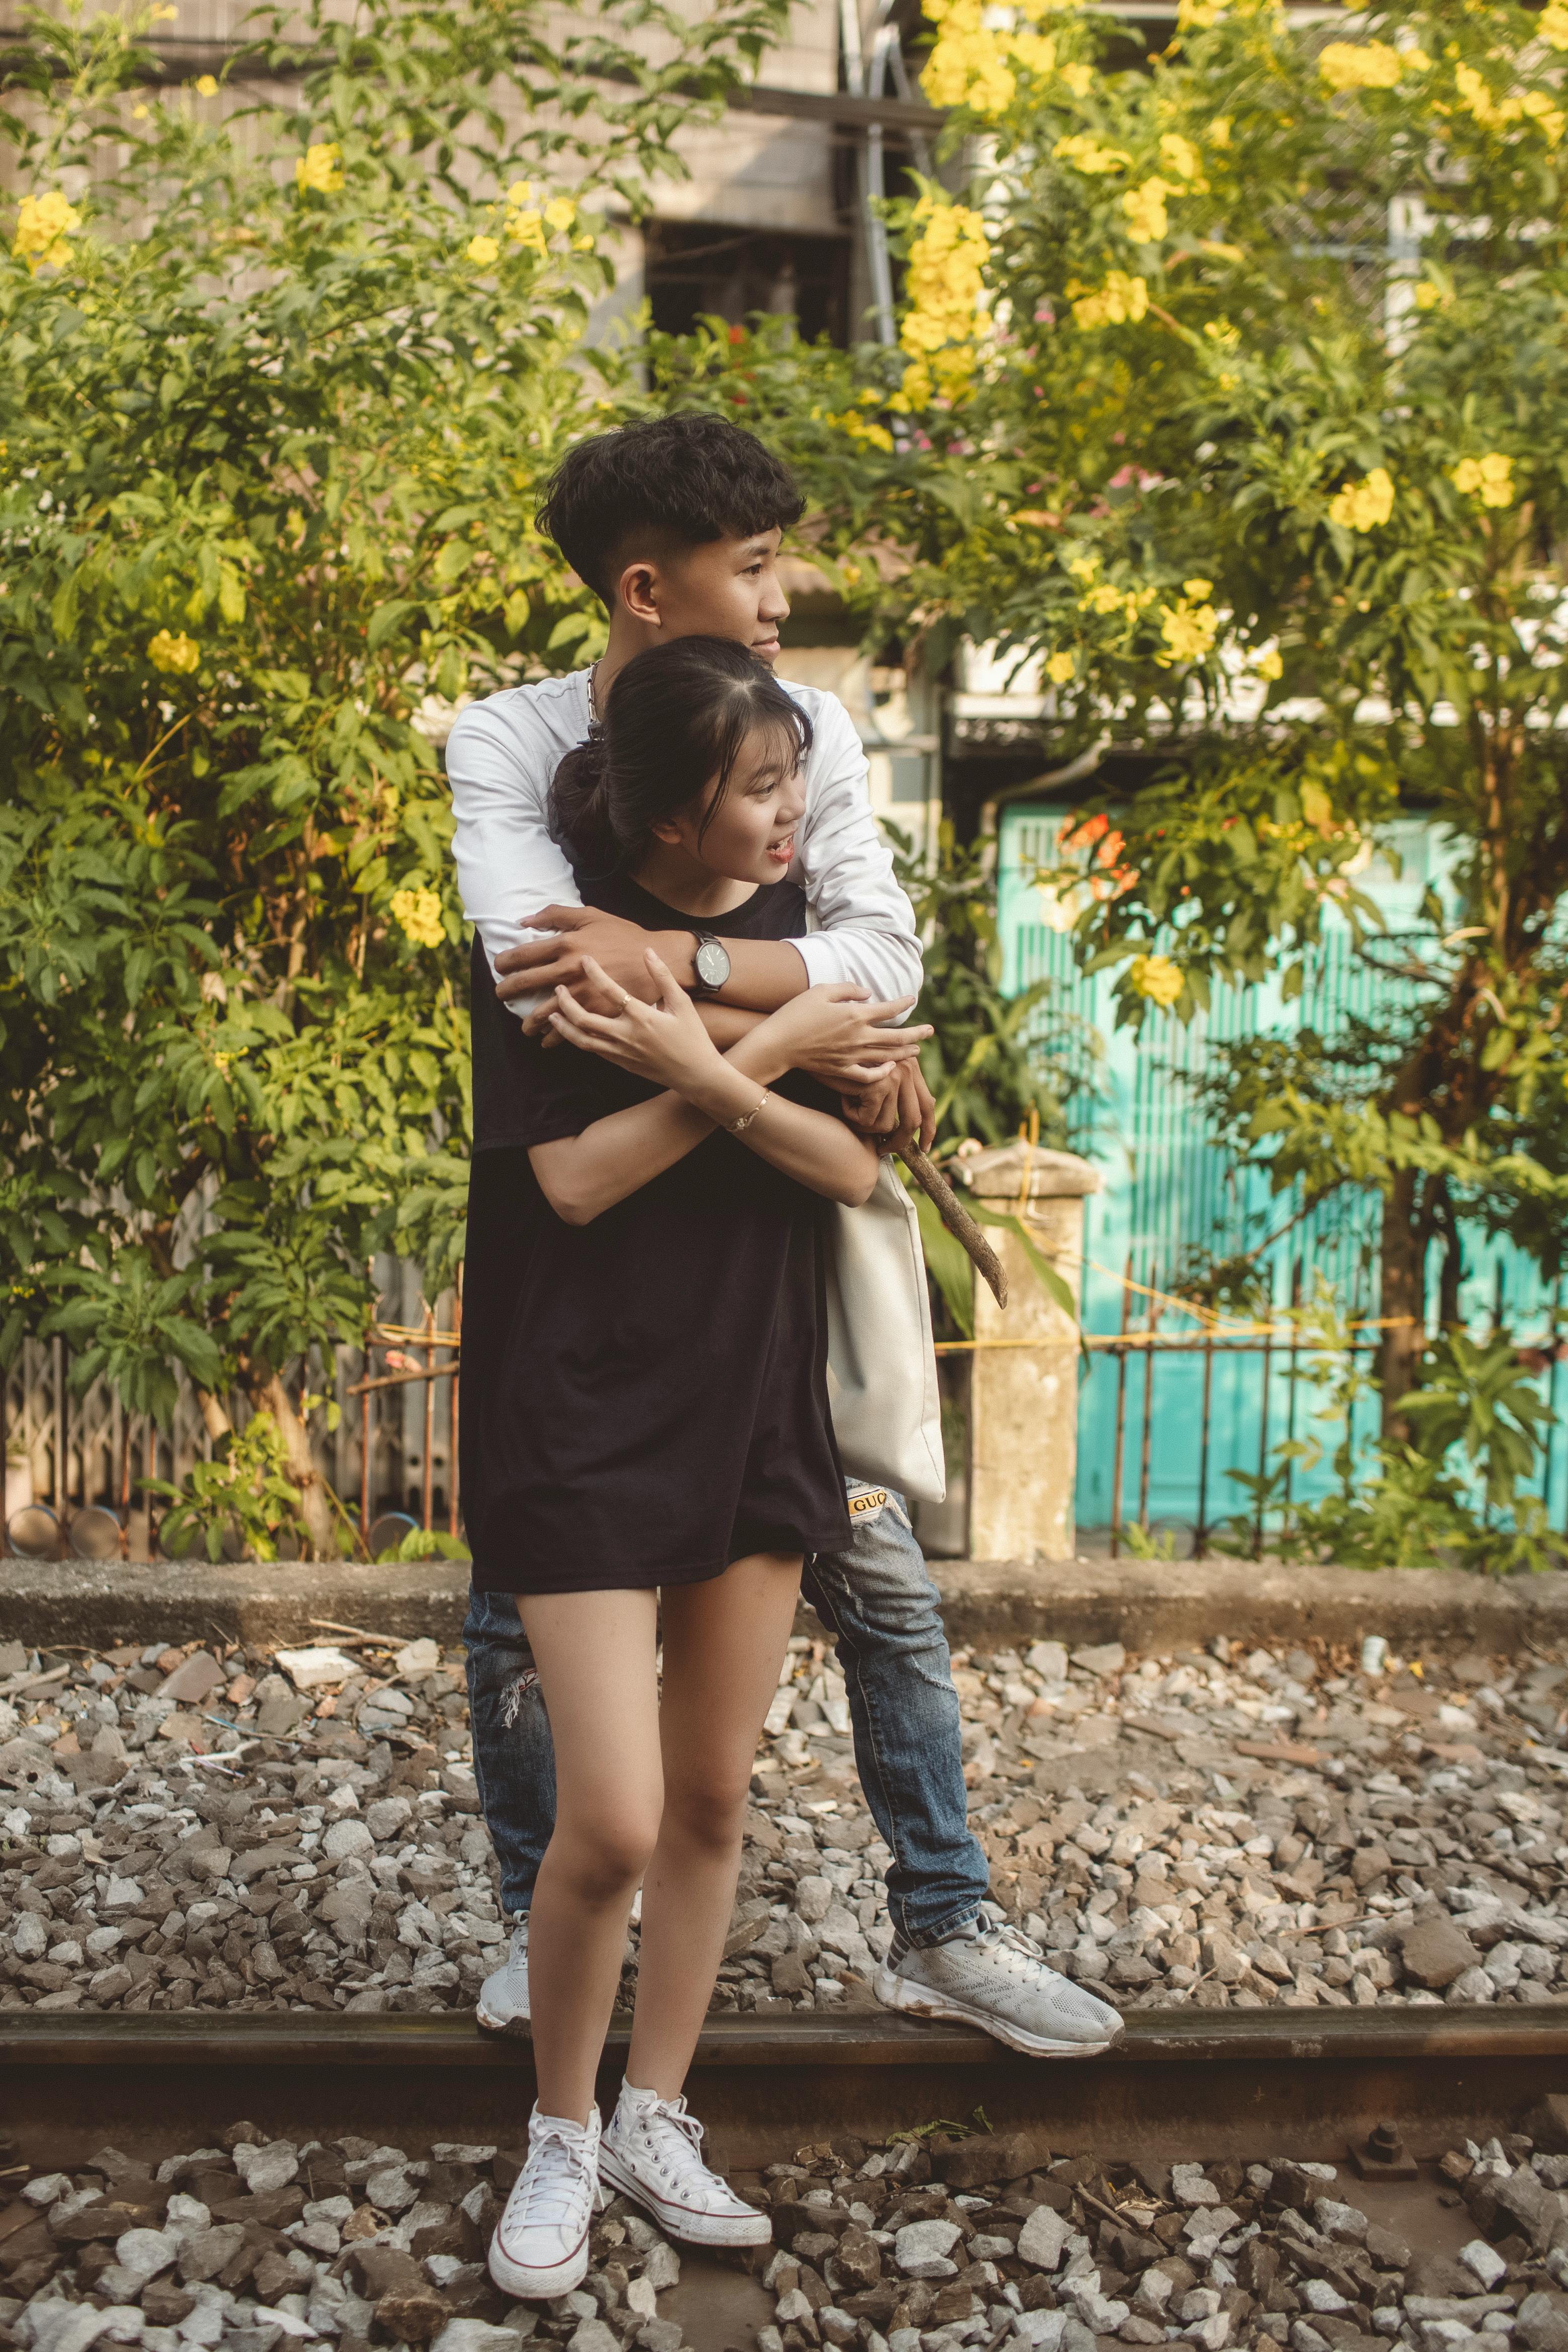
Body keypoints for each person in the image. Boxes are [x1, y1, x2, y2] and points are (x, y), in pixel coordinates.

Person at [447, 411, 1124, 2063]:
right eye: (750, 569)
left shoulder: (809, 719)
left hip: (769, 1243)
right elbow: (539, 970)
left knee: (874, 1565)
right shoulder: (508, 741)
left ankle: (944, 1919)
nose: (778, 595)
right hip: (593, 1239)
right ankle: (553, 1922)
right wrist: (791, 1013)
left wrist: (686, 984)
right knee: (522, 1596)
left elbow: (888, 966)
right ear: (641, 585)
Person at [469, 637, 897, 2296]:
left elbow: (851, 1172)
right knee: (617, 1817)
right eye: (768, 786)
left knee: (713, 1796)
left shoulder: (791, 962)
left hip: (751, 1397)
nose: (802, 812)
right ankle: (561, 2131)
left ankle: (659, 2108)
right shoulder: (550, 953)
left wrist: (731, 1063)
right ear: (670, 818)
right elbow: (572, 1184)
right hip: (578, 1403)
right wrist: (763, 1067)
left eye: (797, 778)